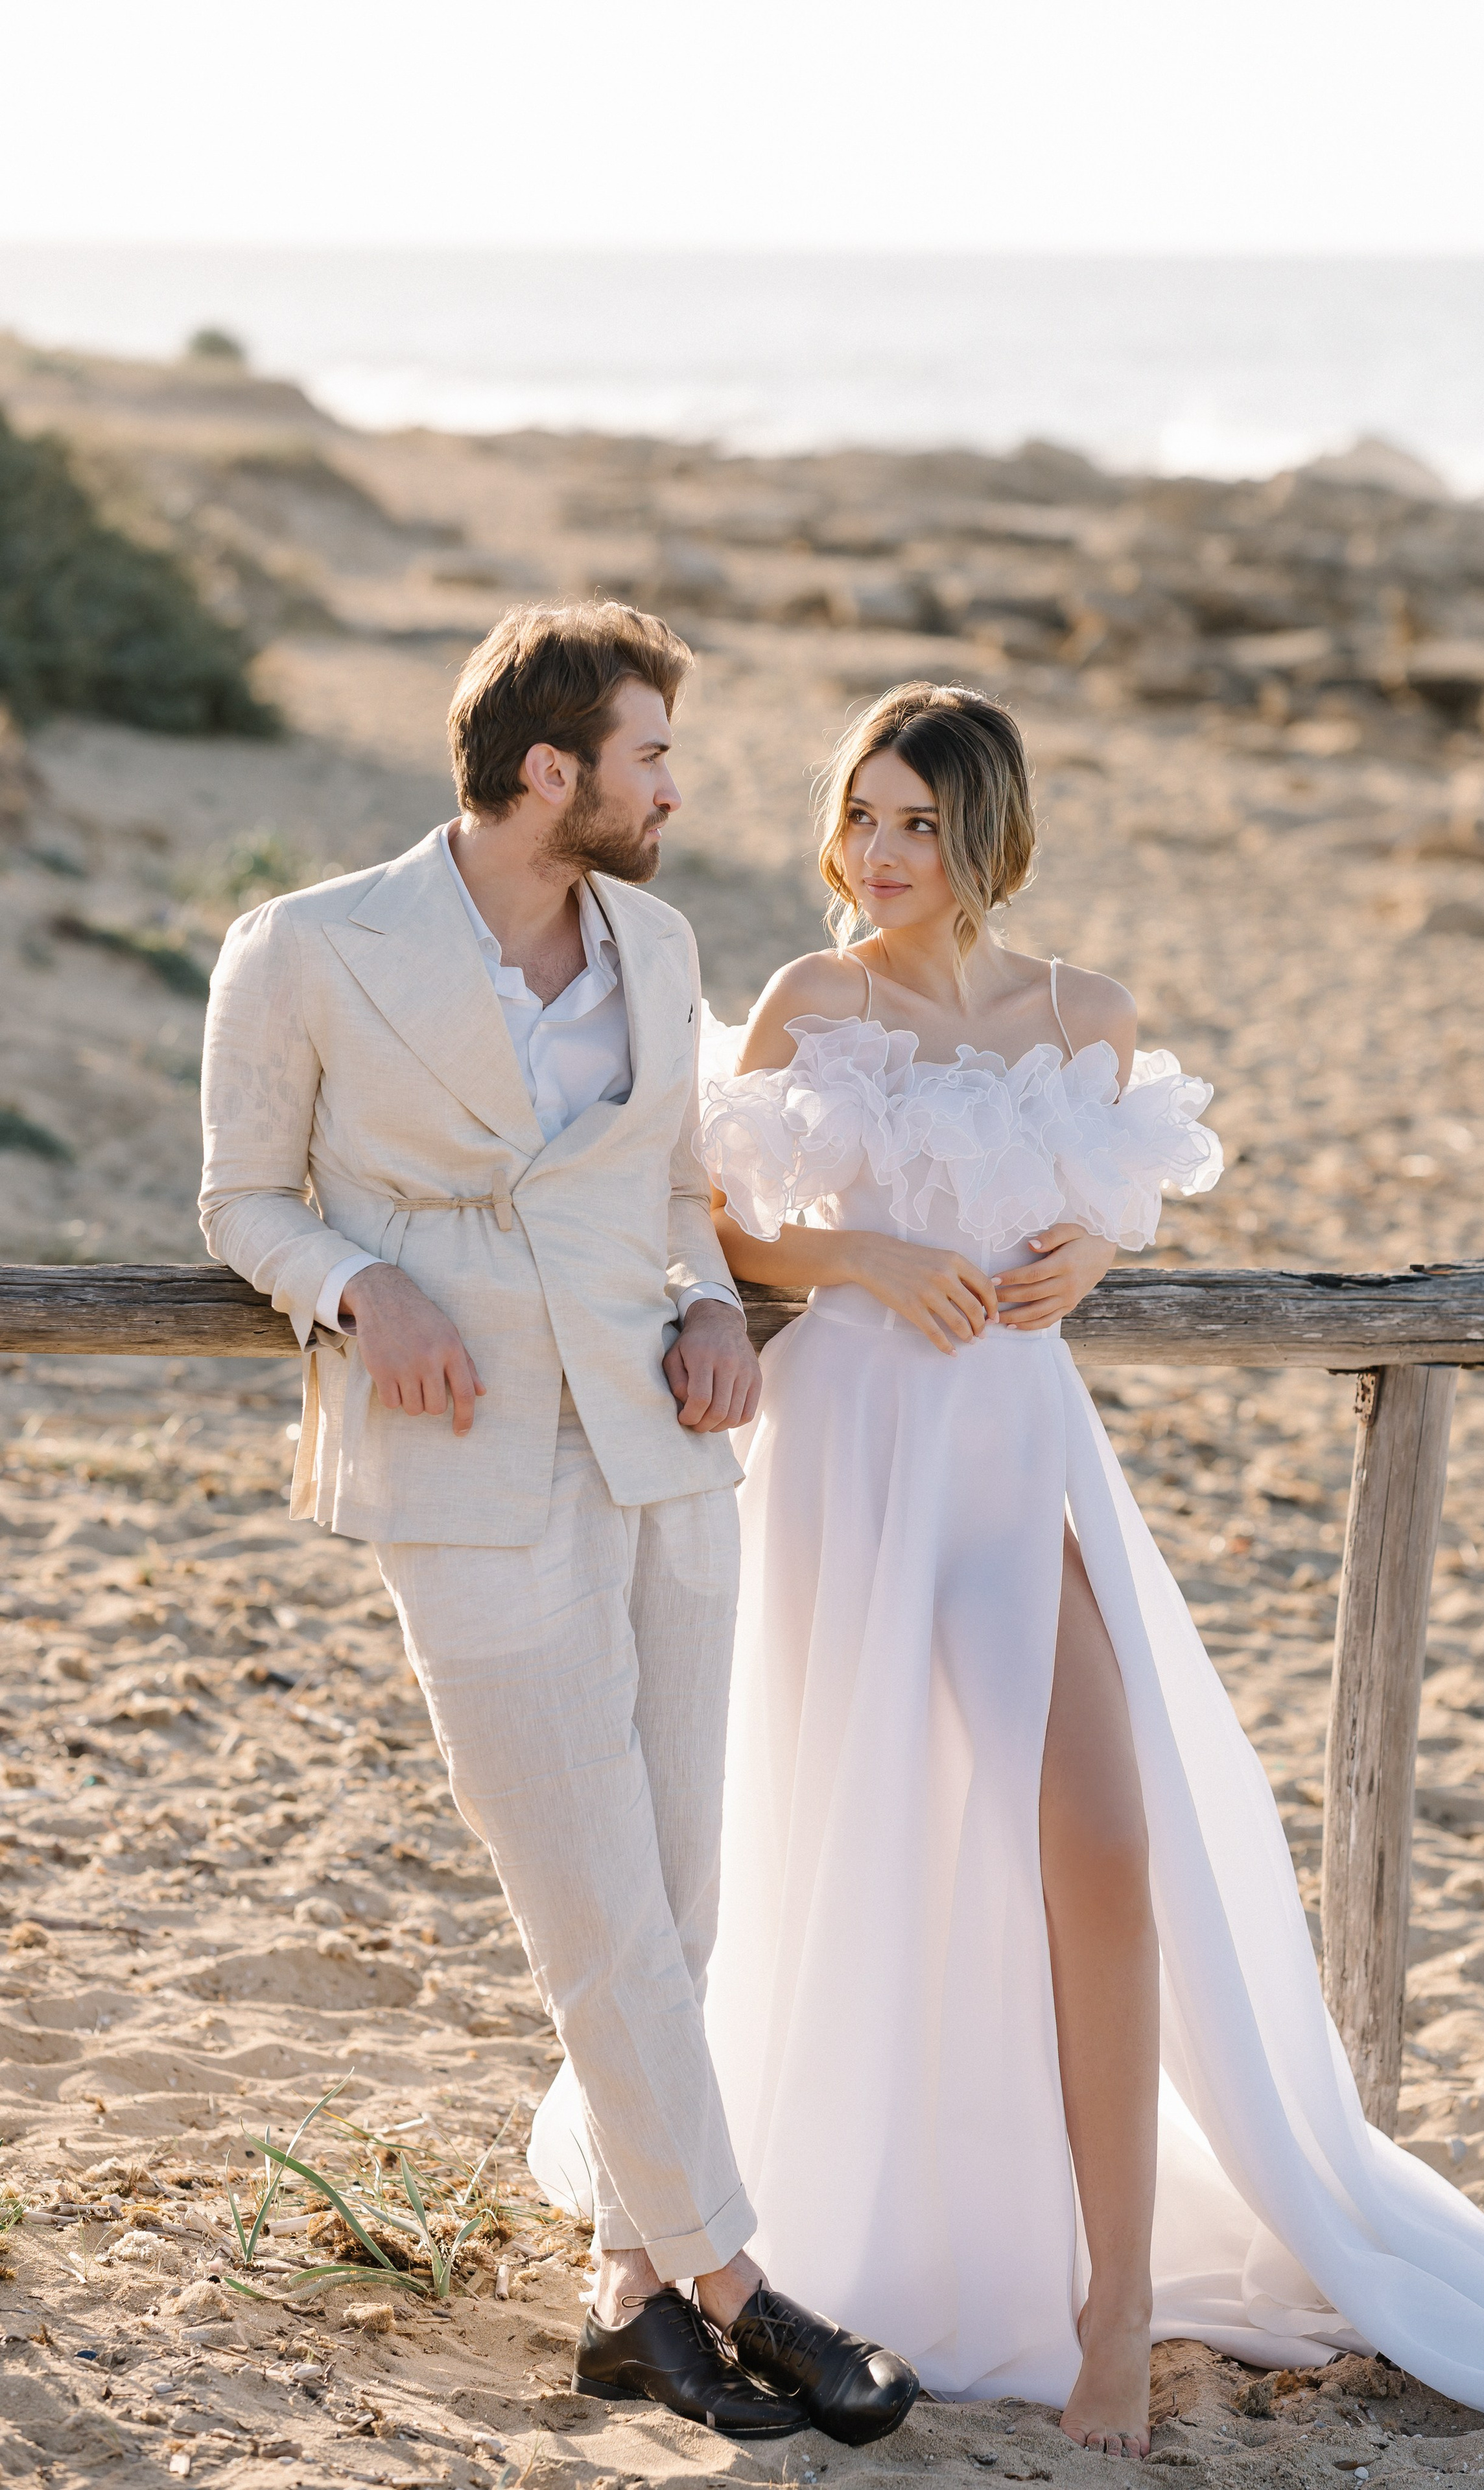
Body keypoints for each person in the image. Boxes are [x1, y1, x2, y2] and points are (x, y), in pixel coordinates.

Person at [692, 681, 1484, 2456]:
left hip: (1020, 1457)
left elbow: (1101, 1200)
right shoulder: (813, 999)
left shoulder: (1085, 1019)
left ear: (988, 833)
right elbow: (729, 1213)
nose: (876, 854)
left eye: (916, 823)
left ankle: (1114, 2295)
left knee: (1103, 1841)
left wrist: (1089, 1245)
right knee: (872, 1835)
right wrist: (861, 1254)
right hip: (850, 1455)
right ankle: (837, 2210)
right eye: (859, 816)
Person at [197, 601, 919, 2447]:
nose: (680, 788)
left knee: (677, 1895)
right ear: (552, 771)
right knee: (589, 1896)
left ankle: (626, 2302)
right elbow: (239, 1201)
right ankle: (741, 2288)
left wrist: (701, 1302)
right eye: (653, 755)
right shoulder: (304, 949)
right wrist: (361, 1287)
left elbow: (680, 1190)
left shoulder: (660, 939)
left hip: (668, 1452)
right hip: (464, 1464)